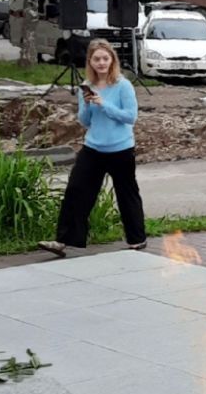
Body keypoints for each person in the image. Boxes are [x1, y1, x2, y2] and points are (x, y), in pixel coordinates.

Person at [37, 39, 146, 257]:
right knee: (76, 190)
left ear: (112, 60)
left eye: (105, 58)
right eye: (97, 59)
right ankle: (62, 241)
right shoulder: (86, 86)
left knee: (127, 193)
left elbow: (130, 117)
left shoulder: (123, 86)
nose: (101, 63)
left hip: (121, 149)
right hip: (93, 148)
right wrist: (87, 104)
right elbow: (85, 121)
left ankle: (137, 239)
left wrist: (103, 104)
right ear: (90, 62)